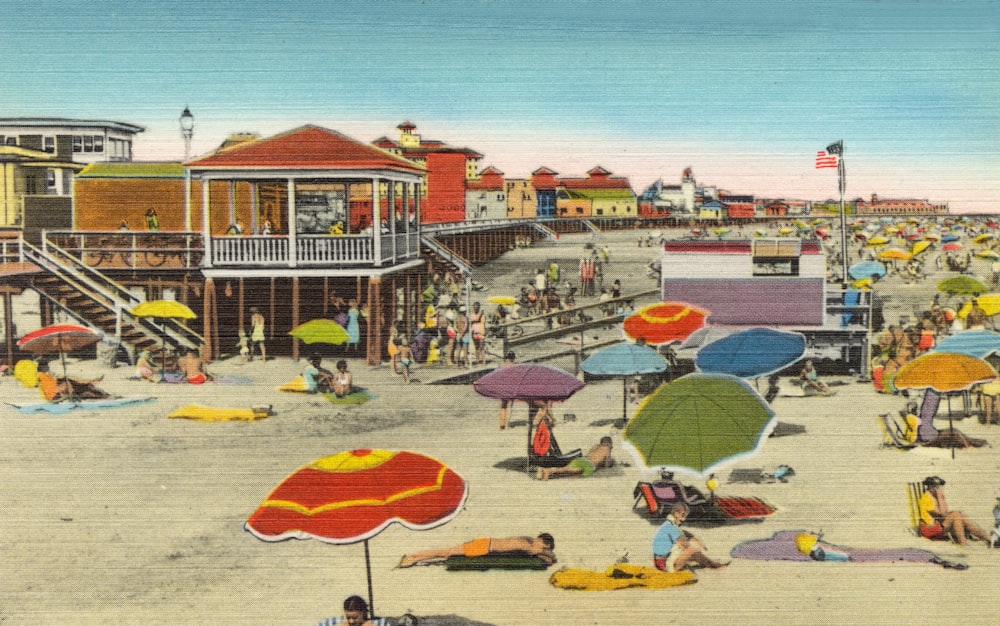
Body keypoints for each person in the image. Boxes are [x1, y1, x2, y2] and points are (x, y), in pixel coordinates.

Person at [398, 533, 556, 568]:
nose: (541, 548)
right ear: (540, 541)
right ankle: (412, 557)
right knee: (446, 553)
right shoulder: (527, 545)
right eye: (543, 546)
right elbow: (547, 558)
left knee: (447, 553)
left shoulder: (527, 539)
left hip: (484, 544)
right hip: (482, 547)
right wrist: (548, 555)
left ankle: (414, 557)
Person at [652, 503, 728, 572]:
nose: (683, 519)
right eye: (682, 515)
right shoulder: (671, 527)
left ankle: (711, 564)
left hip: (660, 560)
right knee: (692, 551)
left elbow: (683, 533)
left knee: (693, 553)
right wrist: (698, 548)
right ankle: (713, 565)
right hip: (664, 564)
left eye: (685, 516)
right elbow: (685, 545)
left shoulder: (668, 524)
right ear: (676, 513)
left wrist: (696, 541)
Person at [917, 476, 991, 546]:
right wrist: (940, 496)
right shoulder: (926, 498)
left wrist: (941, 497)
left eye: (940, 486)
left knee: (960, 515)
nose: (940, 489)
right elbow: (942, 514)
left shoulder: (934, 497)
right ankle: (964, 543)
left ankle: (987, 538)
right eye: (937, 487)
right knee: (955, 515)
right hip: (929, 530)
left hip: (937, 527)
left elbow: (945, 512)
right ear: (930, 487)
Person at [537, 436, 614, 480]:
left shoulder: (596, 446)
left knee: (566, 469)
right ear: (609, 443)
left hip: (582, 459)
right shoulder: (607, 449)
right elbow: (607, 464)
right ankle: (547, 470)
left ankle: (545, 471)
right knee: (567, 471)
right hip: (588, 465)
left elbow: (590, 454)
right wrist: (610, 462)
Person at [36, 361, 110, 401]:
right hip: (57, 395)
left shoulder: (45, 375)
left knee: (76, 383)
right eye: (46, 366)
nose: (48, 367)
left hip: (58, 392)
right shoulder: (42, 376)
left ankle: (90, 383)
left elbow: (54, 379)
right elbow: (52, 387)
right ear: (42, 368)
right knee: (70, 380)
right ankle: (91, 382)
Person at [497, 351, 516, 430]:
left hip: (502, 387)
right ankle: (508, 423)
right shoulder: (515, 366)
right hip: (511, 388)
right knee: (510, 406)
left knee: (503, 406)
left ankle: (502, 425)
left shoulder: (502, 366)